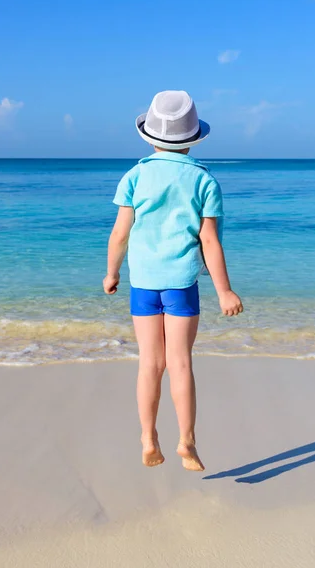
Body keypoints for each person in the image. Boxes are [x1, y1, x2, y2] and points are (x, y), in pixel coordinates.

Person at [103, 90, 243, 471]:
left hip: (144, 283)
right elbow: (209, 240)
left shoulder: (135, 176)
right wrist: (224, 290)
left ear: (150, 136)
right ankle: (187, 442)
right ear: (193, 138)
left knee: (150, 363)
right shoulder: (203, 181)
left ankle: (148, 437)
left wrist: (113, 272)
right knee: (180, 362)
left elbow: (120, 234)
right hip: (181, 284)